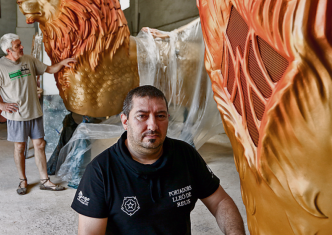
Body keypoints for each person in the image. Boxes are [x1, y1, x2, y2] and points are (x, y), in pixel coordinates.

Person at [71, 85, 246, 234]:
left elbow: (220, 202)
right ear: (125, 121)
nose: (153, 125)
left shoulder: (185, 155)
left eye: (160, 115)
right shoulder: (100, 171)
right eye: (142, 116)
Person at [0, 33, 76, 195]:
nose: (22, 47)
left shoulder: (29, 60)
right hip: (17, 116)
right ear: (8, 50)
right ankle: (22, 180)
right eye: (18, 46)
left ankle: (45, 180)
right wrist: (0, 105)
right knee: (20, 147)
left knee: (40, 145)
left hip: (34, 112)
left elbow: (49, 69)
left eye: (20, 44)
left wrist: (62, 63)